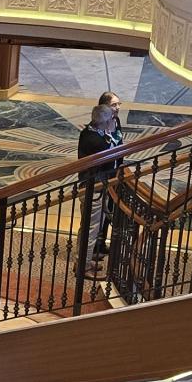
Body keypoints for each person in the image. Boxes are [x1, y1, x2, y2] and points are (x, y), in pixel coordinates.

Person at [78, 101, 122, 276]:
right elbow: (113, 154)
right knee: (91, 229)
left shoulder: (89, 131)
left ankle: (84, 260)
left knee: (88, 227)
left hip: (94, 187)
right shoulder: (96, 141)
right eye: (111, 118)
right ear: (105, 122)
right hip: (94, 189)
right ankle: (84, 267)